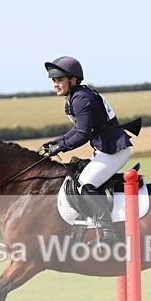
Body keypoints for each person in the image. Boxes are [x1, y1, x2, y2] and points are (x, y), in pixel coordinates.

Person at [39, 56, 133, 246]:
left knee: (85, 184)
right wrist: (56, 142)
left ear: (72, 79)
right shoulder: (76, 96)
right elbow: (77, 130)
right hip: (105, 149)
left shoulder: (81, 98)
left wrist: (61, 147)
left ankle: (109, 233)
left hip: (114, 150)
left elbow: (82, 134)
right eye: (53, 81)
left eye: (59, 80)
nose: (55, 85)